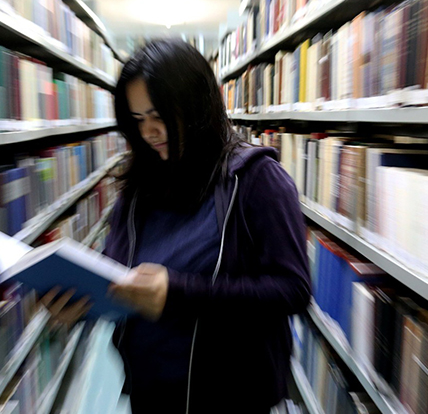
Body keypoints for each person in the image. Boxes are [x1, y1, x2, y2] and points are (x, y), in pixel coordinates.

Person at [42, 39, 310, 413]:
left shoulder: (257, 180)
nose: (149, 132)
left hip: (230, 395)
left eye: (159, 115)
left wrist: (177, 292)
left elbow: (292, 289)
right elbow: (117, 268)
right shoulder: (141, 185)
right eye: (138, 121)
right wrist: (82, 300)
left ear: (196, 104)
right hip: (152, 389)